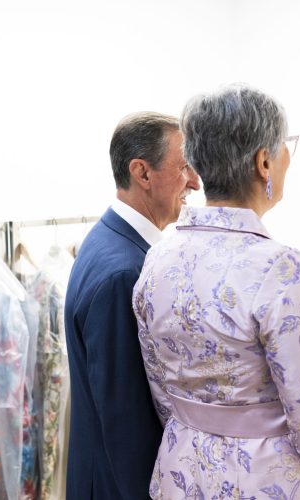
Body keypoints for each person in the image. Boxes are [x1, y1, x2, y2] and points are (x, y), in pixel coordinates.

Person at [132, 85, 300, 499]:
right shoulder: (278, 266)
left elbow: (166, 401)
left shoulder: (158, 257)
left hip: (182, 474)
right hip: (265, 480)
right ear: (264, 161)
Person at [64, 112, 201, 499]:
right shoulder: (124, 272)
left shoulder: (112, 243)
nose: (195, 180)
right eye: (185, 166)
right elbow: (126, 419)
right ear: (142, 173)